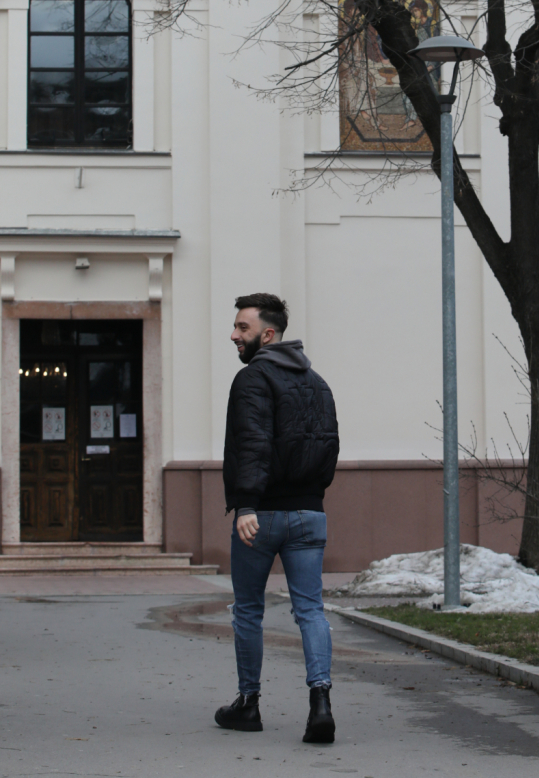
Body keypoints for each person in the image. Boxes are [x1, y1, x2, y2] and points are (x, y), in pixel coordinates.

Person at [214, 293, 340, 744]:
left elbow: (251, 442)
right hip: (310, 514)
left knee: (248, 610)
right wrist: (311, 497)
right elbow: (329, 445)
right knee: (311, 611)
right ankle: (320, 702)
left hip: (262, 516)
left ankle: (248, 704)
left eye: (242, 328)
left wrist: (246, 504)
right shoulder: (317, 381)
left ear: (267, 335)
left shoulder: (252, 379)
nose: (234, 335)